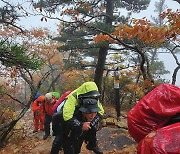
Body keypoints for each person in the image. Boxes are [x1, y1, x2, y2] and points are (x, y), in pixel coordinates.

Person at [62, 81, 104, 154]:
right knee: (66, 138)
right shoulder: (73, 97)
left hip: (84, 114)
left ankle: (92, 143)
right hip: (70, 115)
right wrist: (80, 125)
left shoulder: (94, 97)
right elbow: (67, 116)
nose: (91, 100)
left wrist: (91, 123)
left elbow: (101, 112)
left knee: (91, 126)